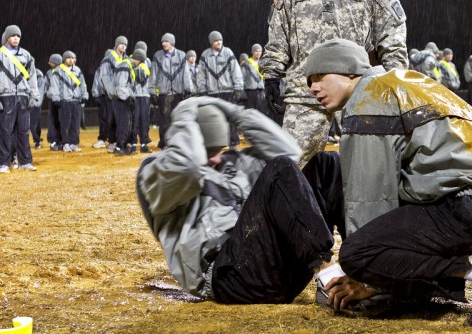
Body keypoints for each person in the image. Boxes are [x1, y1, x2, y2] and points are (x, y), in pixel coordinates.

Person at [305, 39, 472, 330]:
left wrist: (371, 275)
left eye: (320, 76)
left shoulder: (367, 97)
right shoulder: (406, 81)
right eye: (309, 81)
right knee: (410, 217)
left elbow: (370, 200)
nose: (312, 88)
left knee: (359, 253)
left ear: (349, 72)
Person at [136, 96, 344, 304]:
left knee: (325, 165)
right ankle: (329, 276)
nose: (217, 158)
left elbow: (290, 154)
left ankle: (358, 271)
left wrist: (238, 115)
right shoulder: (158, 173)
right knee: (278, 169)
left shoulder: (231, 164)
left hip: (269, 265)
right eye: (209, 151)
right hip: (228, 278)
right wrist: (184, 113)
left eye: (220, 150)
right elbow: (187, 167)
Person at [259, 0, 408, 167]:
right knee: (289, 167)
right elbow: (278, 34)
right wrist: (272, 74)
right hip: (305, 93)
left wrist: (396, 78)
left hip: (357, 92)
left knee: (370, 168)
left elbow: (392, 33)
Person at [0, 25, 40, 172]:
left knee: (24, 130)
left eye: (18, 36)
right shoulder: (1, 55)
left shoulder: (27, 56)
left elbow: (33, 77)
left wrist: (34, 95)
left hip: (23, 96)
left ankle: (25, 162)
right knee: (5, 131)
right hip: (6, 96)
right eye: (13, 35)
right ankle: (3, 163)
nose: (16, 38)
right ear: (6, 37)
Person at [196, 31, 244, 149]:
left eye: (220, 40)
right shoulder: (205, 55)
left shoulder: (228, 53)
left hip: (227, 91)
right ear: (211, 42)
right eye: (216, 40)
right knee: (213, 119)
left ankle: (233, 144)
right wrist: (202, 90)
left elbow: (236, 71)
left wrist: (238, 88)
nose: (219, 42)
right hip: (212, 93)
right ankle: (215, 144)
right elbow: (201, 74)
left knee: (230, 118)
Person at [150, 33, 192, 149]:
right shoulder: (157, 55)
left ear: (172, 42)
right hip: (164, 93)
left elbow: (186, 74)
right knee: (164, 121)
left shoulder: (182, 55)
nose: (163, 43)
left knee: (178, 119)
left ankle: (178, 142)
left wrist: (187, 89)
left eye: (166, 41)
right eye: (162, 42)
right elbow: (153, 75)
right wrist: (152, 91)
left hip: (178, 93)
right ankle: (165, 142)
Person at [48, 51, 88, 152]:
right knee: (65, 124)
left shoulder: (78, 70)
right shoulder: (58, 71)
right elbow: (54, 86)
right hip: (64, 101)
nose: (71, 60)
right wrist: (56, 99)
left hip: (76, 101)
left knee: (75, 124)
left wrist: (84, 95)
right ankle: (65, 143)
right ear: (64, 59)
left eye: (73, 58)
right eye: (68, 58)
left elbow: (83, 84)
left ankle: (73, 143)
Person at [99, 37, 129, 152]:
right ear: (116, 45)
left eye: (125, 45)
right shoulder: (108, 58)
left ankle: (120, 141)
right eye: (121, 44)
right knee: (111, 118)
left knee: (121, 119)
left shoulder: (125, 58)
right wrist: (112, 91)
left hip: (122, 94)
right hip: (112, 94)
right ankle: (111, 141)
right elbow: (105, 76)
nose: (123, 46)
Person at [130, 46, 153, 153]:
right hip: (135, 94)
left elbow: (147, 77)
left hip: (144, 95)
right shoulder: (131, 61)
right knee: (134, 120)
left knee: (144, 120)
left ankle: (144, 143)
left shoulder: (147, 61)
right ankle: (133, 143)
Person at [43, 53, 63, 150]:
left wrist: (49, 93)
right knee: (62, 121)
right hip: (63, 100)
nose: (49, 63)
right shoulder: (66, 71)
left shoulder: (50, 73)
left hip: (54, 100)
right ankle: (62, 140)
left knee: (53, 121)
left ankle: (54, 141)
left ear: (54, 62)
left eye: (51, 62)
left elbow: (45, 86)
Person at [240, 44, 266, 114]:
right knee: (249, 114)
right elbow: (241, 78)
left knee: (260, 114)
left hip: (261, 92)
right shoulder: (246, 64)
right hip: (250, 92)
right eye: (256, 51)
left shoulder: (263, 64)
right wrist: (242, 92)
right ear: (252, 52)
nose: (258, 53)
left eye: (260, 51)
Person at [30, 68, 45, 149]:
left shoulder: (38, 74)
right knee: (30, 124)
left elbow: (41, 90)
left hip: (34, 103)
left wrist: (37, 102)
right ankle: (36, 139)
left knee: (36, 124)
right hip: (24, 101)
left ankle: (37, 140)